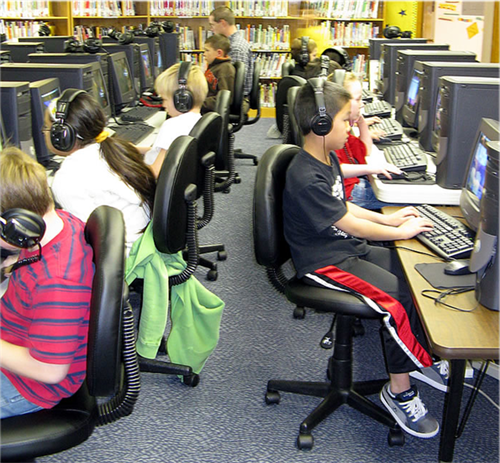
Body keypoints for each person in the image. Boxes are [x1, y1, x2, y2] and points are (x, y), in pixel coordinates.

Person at [283, 79, 448, 439]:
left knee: (414, 281)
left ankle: (420, 356)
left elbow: (344, 207)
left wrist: (388, 219)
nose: (351, 125)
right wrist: (396, 232)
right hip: (324, 261)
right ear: (322, 126)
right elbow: (349, 223)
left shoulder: (322, 158)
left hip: (343, 248)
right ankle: (399, 391)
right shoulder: (304, 174)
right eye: (346, 120)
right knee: (395, 302)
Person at [0, 146, 94, 419]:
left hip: (28, 383)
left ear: (16, 224)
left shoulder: (58, 281)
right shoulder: (53, 225)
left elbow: (50, 371)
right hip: (14, 337)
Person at [49, 89, 156, 253]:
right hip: (144, 243)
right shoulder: (112, 148)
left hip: (122, 259)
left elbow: (85, 238)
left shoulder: (68, 176)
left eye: (45, 128)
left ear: (61, 135)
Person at [328, 72, 404, 210]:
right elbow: (334, 169)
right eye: (357, 99)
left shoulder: (344, 128)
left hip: (353, 185)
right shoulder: (332, 133)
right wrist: (374, 168)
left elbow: (365, 151)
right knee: (405, 199)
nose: (362, 104)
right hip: (348, 192)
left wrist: (361, 121)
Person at [138, 63, 208, 177]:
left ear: (182, 100)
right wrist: (136, 149)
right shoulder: (198, 121)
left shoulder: (172, 126)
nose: (163, 105)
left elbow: (155, 173)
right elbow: (167, 152)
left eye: (165, 99)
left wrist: (129, 168)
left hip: (150, 186)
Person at [209, 6, 253, 107]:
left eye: (212, 25)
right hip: (229, 95)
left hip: (235, 100)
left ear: (222, 23)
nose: (211, 29)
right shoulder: (229, 44)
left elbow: (233, 85)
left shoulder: (235, 48)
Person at [201, 33, 235, 115]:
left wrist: (198, 103)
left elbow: (224, 99)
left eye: (207, 50)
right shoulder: (214, 67)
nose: (204, 54)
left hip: (210, 110)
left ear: (219, 53)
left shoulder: (225, 69)